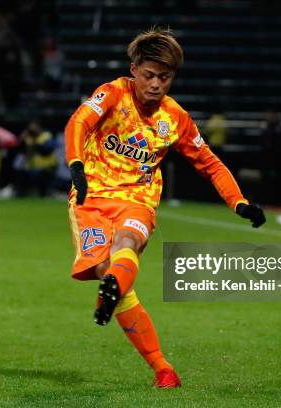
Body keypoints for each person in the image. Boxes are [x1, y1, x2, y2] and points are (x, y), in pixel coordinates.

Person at [64, 28, 266, 389]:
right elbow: (79, 121)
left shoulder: (175, 118)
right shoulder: (112, 93)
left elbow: (210, 163)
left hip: (138, 201)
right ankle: (161, 365)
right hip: (91, 199)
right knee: (108, 273)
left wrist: (239, 202)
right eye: (149, 75)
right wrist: (76, 164)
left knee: (127, 243)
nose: (156, 84)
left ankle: (163, 370)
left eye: (165, 77)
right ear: (134, 70)